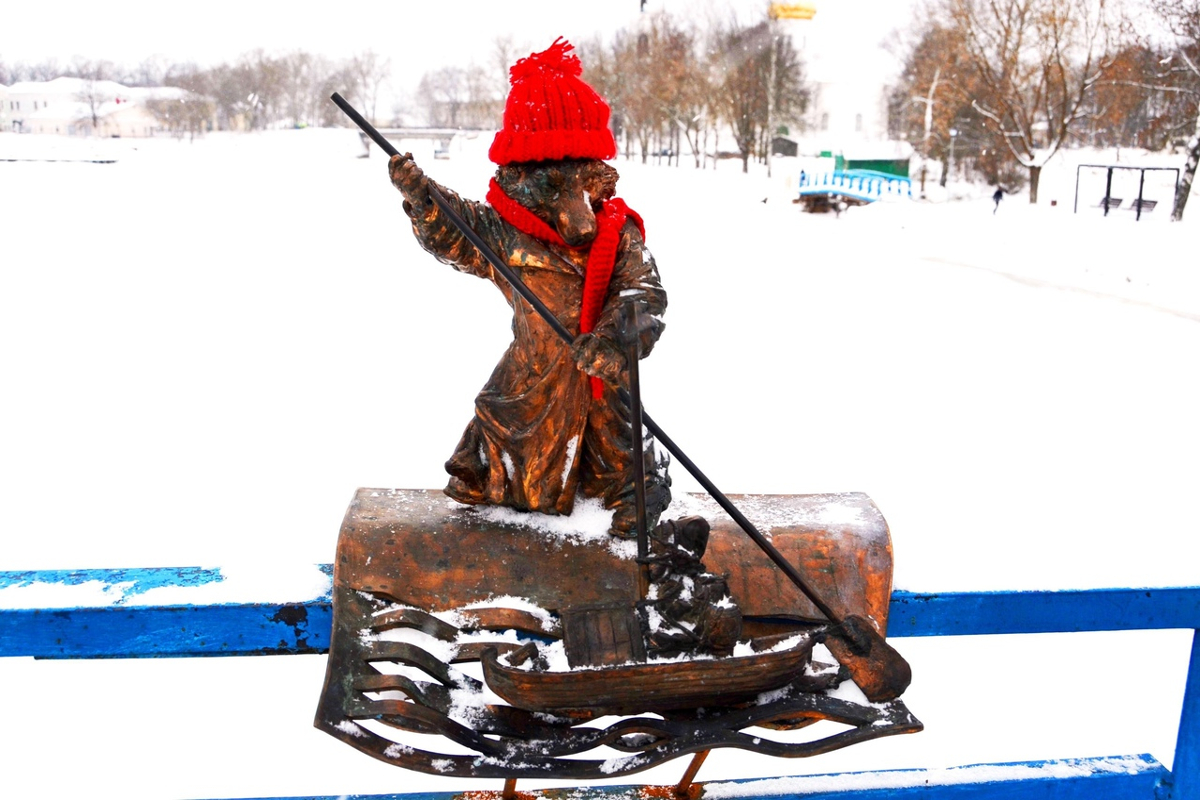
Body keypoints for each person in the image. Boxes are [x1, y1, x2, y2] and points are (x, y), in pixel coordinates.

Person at [387, 38, 670, 539]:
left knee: (617, 455)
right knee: (506, 446)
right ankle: (502, 500)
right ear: (522, 177)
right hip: (531, 378)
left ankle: (624, 505)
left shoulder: (619, 233)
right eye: (552, 186)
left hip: (598, 383)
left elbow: (642, 293)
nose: (571, 207)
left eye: (576, 181)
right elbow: (458, 230)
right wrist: (422, 196)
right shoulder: (502, 232)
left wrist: (611, 341)